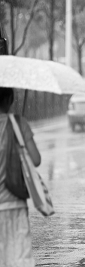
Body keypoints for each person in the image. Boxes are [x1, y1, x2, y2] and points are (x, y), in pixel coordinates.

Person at [0, 87, 41, 267]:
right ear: (9, 100)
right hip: (14, 204)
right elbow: (36, 159)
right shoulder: (18, 124)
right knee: (19, 259)